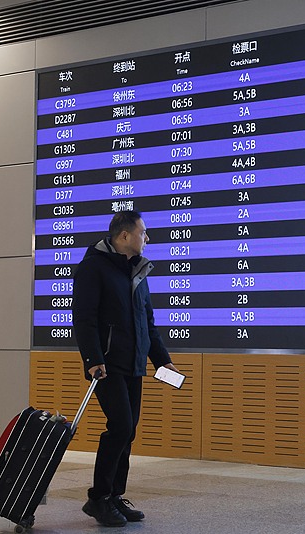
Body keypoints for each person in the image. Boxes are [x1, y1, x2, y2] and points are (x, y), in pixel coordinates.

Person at [72, 210, 179, 527]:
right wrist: (92, 360)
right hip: (106, 365)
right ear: (124, 236)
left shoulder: (137, 273)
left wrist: (162, 360)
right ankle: (98, 498)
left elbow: (148, 324)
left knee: (128, 430)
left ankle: (115, 496)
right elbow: (84, 318)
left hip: (133, 365)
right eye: (143, 232)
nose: (147, 238)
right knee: (119, 426)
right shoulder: (93, 268)